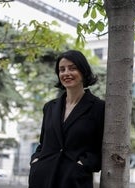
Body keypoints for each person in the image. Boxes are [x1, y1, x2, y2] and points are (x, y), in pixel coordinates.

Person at [28, 50, 105, 188]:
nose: (66, 73)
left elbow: (102, 149)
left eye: (72, 68)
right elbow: (43, 143)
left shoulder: (99, 108)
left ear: (83, 71)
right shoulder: (50, 107)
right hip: (42, 179)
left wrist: (83, 165)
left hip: (74, 181)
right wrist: (35, 161)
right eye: (62, 69)